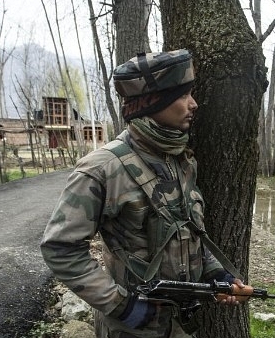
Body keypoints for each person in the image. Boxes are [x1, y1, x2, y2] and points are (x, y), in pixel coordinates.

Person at [40, 49, 246, 338]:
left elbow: (189, 234)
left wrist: (217, 275)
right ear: (152, 103)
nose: (194, 104)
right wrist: (123, 306)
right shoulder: (103, 169)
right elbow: (60, 249)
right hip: (130, 331)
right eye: (183, 95)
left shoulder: (181, 160)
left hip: (182, 327)